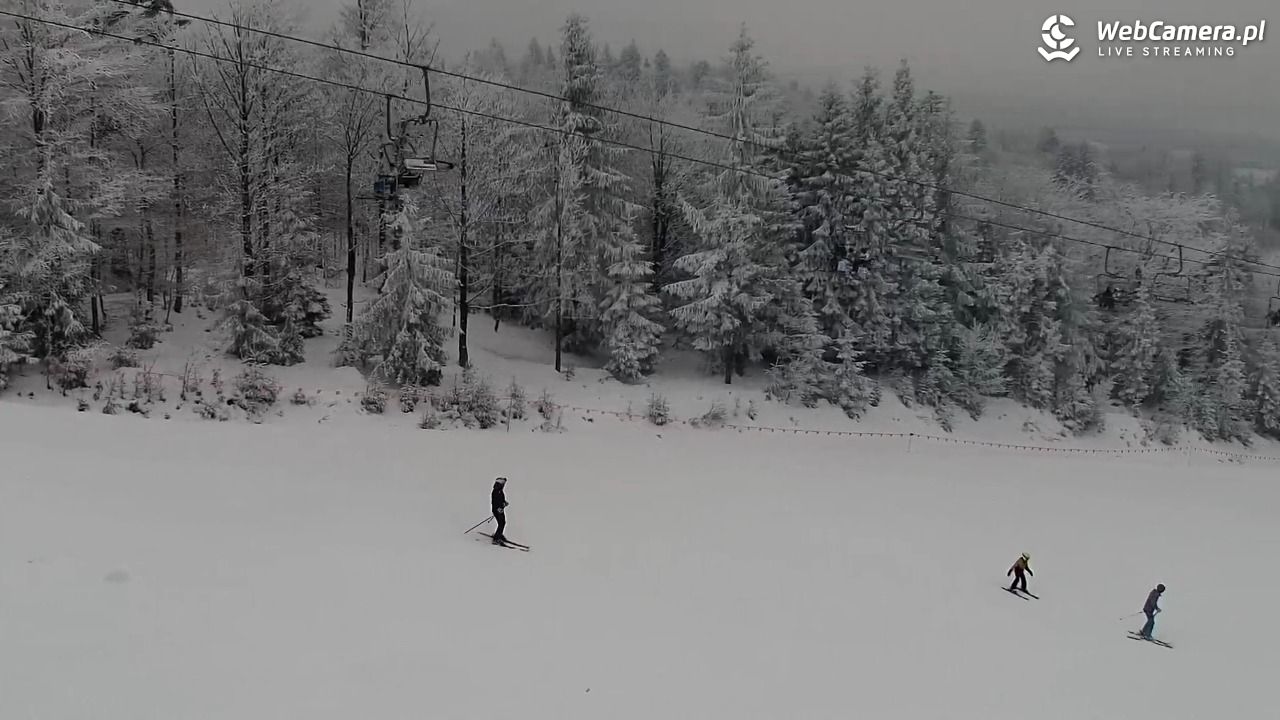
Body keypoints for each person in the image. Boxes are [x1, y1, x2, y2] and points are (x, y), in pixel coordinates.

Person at [491, 477, 509, 544]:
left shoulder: (500, 491)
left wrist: (504, 502)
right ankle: (496, 538)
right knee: (502, 523)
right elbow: (494, 502)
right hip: (497, 510)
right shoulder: (495, 491)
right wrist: (498, 508)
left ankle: (499, 534)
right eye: (503, 484)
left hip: (500, 510)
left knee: (502, 523)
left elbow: (501, 499)